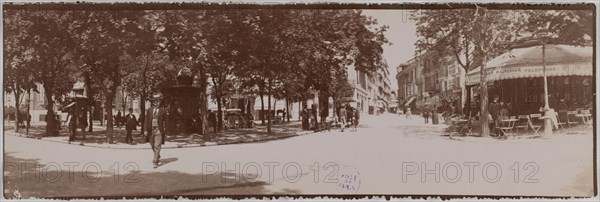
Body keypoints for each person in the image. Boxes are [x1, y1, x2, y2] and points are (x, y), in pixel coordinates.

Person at [144, 95, 167, 168]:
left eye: (158, 101)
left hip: (159, 130)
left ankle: (155, 162)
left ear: (160, 102)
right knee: (152, 144)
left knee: (157, 146)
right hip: (151, 130)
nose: (156, 103)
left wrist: (166, 130)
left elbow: (166, 121)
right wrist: (145, 130)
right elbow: (146, 120)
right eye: (155, 101)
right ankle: (157, 155)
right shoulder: (149, 110)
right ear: (153, 102)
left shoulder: (163, 111)